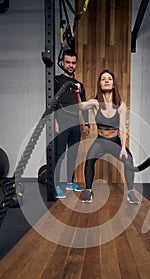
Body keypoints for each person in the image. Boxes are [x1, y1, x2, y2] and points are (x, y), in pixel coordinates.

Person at [73, 69, 139, 204]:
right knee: (89, 159)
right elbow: (80, 106)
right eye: (103, 79)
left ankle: (131, 192)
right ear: (100, 84)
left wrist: (122, 148)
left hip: (115, 141)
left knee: (129, 160)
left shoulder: (121, 105)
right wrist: (78, 94)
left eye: (109, 78)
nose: (106, 80)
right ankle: (88, 191)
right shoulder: (95, 103)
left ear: (113, 84)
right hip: (101, 140)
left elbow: (122, 128)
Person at [54, 49, 90, 198]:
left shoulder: (79, 84)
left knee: (72, 155)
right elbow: (52, 103)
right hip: (61, 122)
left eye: (73, 63)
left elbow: (84, 105)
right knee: (58, 155)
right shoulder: (55, 80)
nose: (70, 65)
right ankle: (55, 186)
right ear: (62, 63)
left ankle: (70, 182)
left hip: (75, 123)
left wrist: (86, 123)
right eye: (68, 62)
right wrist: (54, 122)